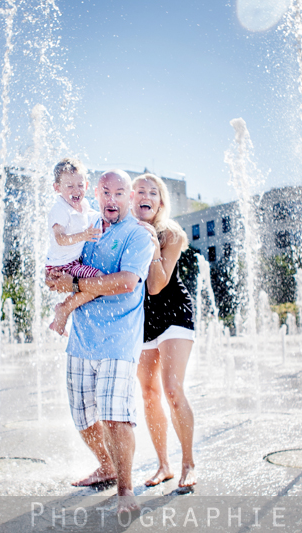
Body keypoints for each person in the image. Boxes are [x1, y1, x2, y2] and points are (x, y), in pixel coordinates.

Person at [46, 169, 155, 514]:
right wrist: (56, 279)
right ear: (96, 193)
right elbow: (63, 267)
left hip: (118, 340)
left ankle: (126, 490)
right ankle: (106, 466)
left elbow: (126, 282)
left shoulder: (137, 236)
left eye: (119, 193)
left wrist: (74, 287)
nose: (111, 199)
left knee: (114, 416)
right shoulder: (86, 227)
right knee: (81, 416)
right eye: (105, 192)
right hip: (80, 339)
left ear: (129, 198)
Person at [131, 173, 197, 489]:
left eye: (152, 192)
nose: (145, 195)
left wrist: (151, 242)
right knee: (148, 393)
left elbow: (156, 285)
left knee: (172, 389)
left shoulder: (171, 234)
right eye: (139, 190)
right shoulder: (125, 232)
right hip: (144, 318)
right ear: (131, 199)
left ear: (160, 202)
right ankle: (163, 466)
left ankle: (188, 464)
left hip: (173, 313)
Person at [45, 157, 103, 335]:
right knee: (99, 281)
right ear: (57, 188)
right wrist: (84, 236)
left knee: (95, 284)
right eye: (69, 186)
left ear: (86, 186)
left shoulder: (83, 205)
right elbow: (60, 239)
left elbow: (97, 216)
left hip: (71, 263)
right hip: (62, 267)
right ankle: (64, 310)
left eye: (79, 185)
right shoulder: (60, 209)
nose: (76, 190)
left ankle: (61, 316)